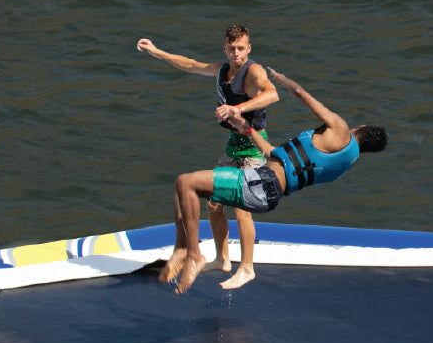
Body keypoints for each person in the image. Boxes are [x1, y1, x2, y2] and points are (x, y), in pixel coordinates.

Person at [160, 68, 388, 294]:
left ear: (361, 128)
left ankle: (196, 255)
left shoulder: (341, 130)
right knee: (190, 190)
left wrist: (282, 80)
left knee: (186, 183)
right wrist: (247, 129)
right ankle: (189, 250)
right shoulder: (343, 165)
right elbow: (273, 154)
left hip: (258, 185)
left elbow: (300, 92)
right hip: (265, 188)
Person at [137, 26, 279, 289]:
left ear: (249, 49)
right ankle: (222, 258)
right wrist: (157, 52)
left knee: (242, 210)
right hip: (234, 145)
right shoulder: (222, 69)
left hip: (254, 147)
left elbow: (272, 94)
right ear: (225, 49)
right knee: (214, 205)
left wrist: (236, 108)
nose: (236, 54)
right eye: (231, 48)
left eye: (241, 49)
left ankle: (247, 268)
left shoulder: (254, 72)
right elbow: (190, 65)